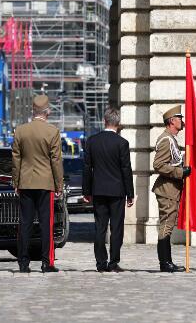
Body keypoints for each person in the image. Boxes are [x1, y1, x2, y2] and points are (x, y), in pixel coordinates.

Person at [11, 94, 64, 273]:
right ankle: (46, 262)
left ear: (33, 111)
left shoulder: (20, 130)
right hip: (45, 183)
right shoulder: (52, 132)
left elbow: (16, 159)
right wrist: (59, 185)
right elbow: (56, 161)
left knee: (24, 224)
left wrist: (16, 182)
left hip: (25, 182)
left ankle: (23, 263)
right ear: (47, 112)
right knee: (46, 224)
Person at [83, 108, 134, 272]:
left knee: (100, 227)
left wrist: (86, 191)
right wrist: (130, 193)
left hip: (98, 190)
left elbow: (87, 168)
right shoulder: (122, 143)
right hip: (117, 191)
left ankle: (100, 262)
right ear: (118, 124)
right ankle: (113, 262)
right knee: (116, 228)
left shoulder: (92, 141)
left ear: (104, 121)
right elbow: (126, 169)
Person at [152, 105, 191, 273]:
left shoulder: (171, 139)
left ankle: (167, 261)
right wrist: (180, 172)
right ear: (171, 121)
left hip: (171, 190)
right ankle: (165, 262)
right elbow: (158, 165)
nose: (182, 121)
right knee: (166, 225)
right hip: (167, 190)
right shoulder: (166, 139)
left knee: (167, 225)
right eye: (179, 118)